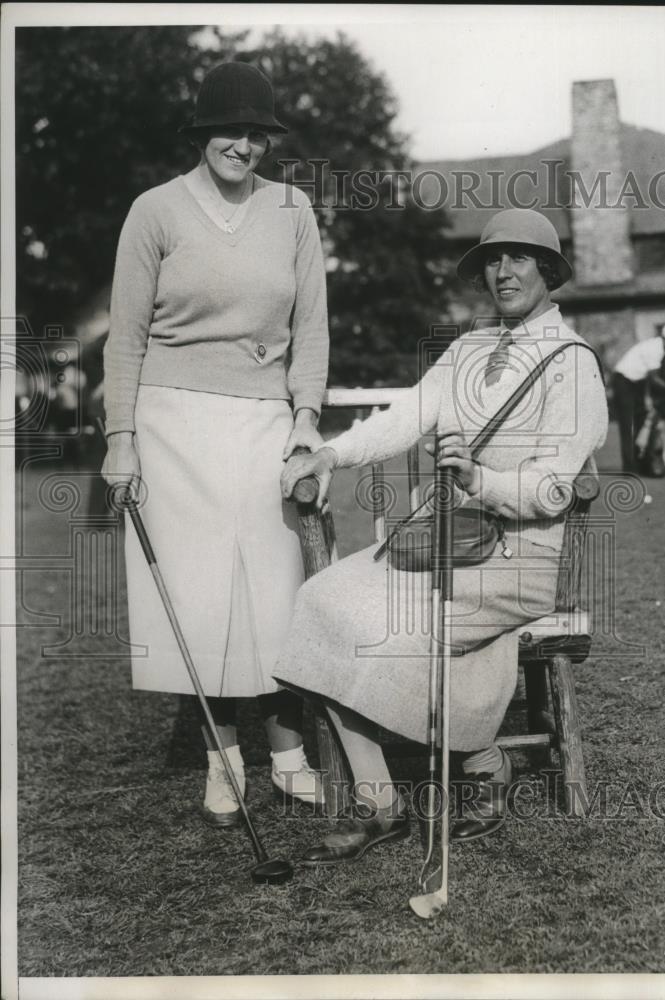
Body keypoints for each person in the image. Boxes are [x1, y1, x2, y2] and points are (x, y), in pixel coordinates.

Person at [278, 208, 608, 864]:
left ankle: (484, 767)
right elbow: (403, 419)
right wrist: (331, 457)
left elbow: (552, 488)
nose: (503, 271)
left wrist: (478, 478)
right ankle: (383, 804)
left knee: (389, 623)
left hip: (522, 557)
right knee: (322, 602)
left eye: (518, 258)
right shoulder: (468, 350)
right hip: (443, 539)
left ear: (548, 270)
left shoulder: (574, 364)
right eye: (491, 259)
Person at [101, 61, 329, 826]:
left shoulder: (293, 210)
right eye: (230, 131)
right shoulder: (154, 211)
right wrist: (121, 439)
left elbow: (312, 329)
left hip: (264, 415)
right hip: (172, 424)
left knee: (277, 588)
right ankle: (222, 761)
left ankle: (289, 754)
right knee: (200, 599)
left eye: (258, 133)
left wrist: (305, 418)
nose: (245, 145)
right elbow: (125, 339)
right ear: (201, 135)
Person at [611, 324, 665, 473]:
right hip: (623, 383)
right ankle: (629, 468)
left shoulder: (655, 347)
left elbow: (646, 379)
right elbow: (654, 379)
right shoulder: (655, 349)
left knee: (642, 421)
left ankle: (643, 463)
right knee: (628, 425)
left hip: (635, 383)